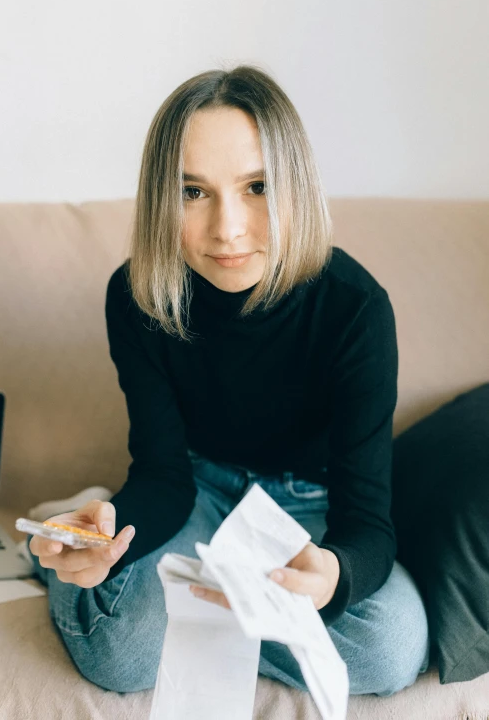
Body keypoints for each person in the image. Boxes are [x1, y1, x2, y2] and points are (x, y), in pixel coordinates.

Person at [27, 64, 430, 698]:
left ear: (293, 184)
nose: (228, 228)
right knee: (125, 656)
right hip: (198, 492)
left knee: (391, 650)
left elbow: (367, 522)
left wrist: (331, 575)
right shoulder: (137, 298)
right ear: (165, 198)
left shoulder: (356, 309)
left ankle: (211, 618)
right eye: (194, 192)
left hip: (312, 512)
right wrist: (114, 531)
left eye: (257, 185)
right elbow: (163, 475)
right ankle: (63, 542)